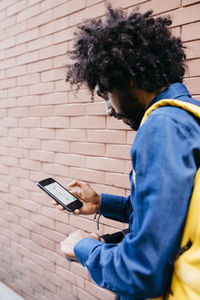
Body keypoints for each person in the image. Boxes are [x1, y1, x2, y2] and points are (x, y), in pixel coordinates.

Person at [52, 6, 200, 300]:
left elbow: (141, 273)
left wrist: (85, 248)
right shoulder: (189, 117)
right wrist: (102, 203)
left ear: (128, 78)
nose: (108, 109)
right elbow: (173, 216)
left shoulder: (161, 127)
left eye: (106, 94)